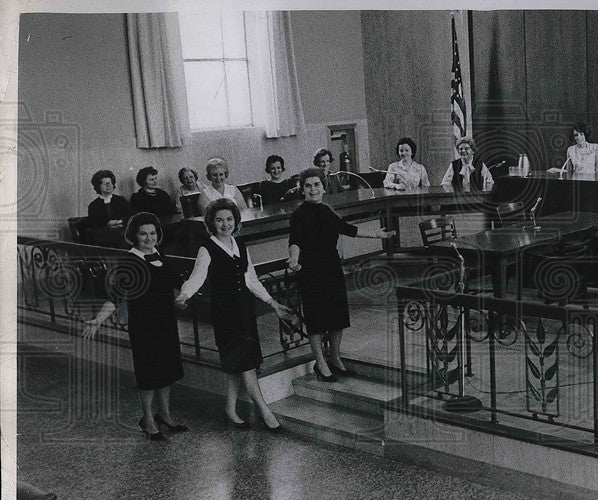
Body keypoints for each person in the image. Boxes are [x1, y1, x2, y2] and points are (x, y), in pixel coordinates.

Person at [175, 198, 295, 430]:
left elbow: (251, 278)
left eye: (229, 219)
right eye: (219, 220)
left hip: (244, 310)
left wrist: (273, 303)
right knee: (246, 363)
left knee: (238, 363)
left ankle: (230, 408)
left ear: (235, 221)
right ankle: (264, 411)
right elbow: (197, 277)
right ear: (211, 223)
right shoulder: (206, 248)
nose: (225, 224)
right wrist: (184, 295)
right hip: (225, 313)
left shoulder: (240, 245)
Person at [83, 212, 187, 440]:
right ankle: (148, 419)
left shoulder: (159, 255)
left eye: (152, 233)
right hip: (144, 325)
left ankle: (166, 415)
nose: (149, 238)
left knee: (167, 370)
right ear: (134, 235)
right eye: (143, 234)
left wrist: (183, 296)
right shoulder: (130, 261)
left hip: (166, 322)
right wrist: (98, 320)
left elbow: (177, 281)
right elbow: (115, 296)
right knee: (149, 373)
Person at [287, 168, 396, 381]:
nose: (312, 189)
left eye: (316, 185)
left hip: (331, 267)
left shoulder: (326, 210)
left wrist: (375, 234)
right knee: (316, 319)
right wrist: (293, 259)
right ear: (302, 189)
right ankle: (320, 363)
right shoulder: (298, 215)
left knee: (338, 316)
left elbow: (347, 229)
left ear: (323, 187)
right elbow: (295, 242)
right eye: (308, 186)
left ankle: (335, 358)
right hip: (309, 270)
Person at [86, 169, 132, 248]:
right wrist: (107, 223)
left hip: (122, 237)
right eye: (105, 184)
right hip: (103, 240)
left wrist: (120, 221)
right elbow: (93, 224)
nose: (109, 185)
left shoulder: (121, 200)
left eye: (110, 183)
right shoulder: (93, 205)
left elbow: (131, 216)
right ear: (98, 186)